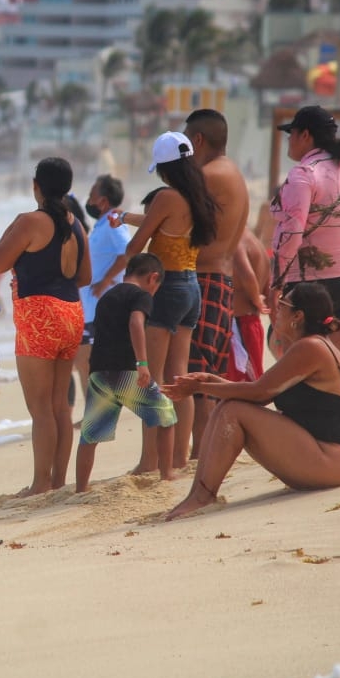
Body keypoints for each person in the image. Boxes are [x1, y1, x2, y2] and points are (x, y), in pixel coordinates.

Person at [164, 282, 340, 521]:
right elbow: (260, 391)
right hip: (325, 455)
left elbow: (259, 393)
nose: (274, 309)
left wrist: (200, 387)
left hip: (334, 460)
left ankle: (203, 496)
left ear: (297, 316)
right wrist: (210, 381)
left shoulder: (311, 347)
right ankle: (197, 494)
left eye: (281, 305)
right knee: (227, 407)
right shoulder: (311, 346)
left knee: (233, 411)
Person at [102, 132, 219, 472]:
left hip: (165, 289)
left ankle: (149, 461)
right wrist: (124, 217)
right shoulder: (196, 195)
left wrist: (112, 277)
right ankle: (179, 457)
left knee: (150, 380)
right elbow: (161, 223)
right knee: (178, 378)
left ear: (166, 169)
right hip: (191, 286)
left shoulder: (167, 196)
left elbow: (137, 244)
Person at [0, 157, 91, 496]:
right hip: (72, 313)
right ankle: (59, 481)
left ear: (36, 185)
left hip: (39, 316)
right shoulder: (75, 222)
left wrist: (14, 229)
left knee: (40, 409)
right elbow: (86, 276)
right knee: (60, 405)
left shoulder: (30, 221)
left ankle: (40, 483)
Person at [271, 106, 340, 358]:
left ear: (305, 135)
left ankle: (303, 396)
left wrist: (277, 282)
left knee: (287, 348)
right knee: (339, 356)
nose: (289, 140)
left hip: (313, 279)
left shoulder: (303, 173)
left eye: (290, 133)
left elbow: (292, 233)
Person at [75, 253, 177, 491]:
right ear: (153, 278)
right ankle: (167, 473)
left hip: (99, 372)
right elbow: (135, 323)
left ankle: (81, 487)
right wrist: (142, 363)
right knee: (166, 416)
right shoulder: (141, 296)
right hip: (128, 372)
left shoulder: (106, 296)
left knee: (90, 436)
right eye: (157, 288)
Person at [181, 109, 249, 461]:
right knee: (208, 376)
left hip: (205, 280)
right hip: (221, 280)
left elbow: (177, 222)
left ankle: (200, 454)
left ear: (198, 141)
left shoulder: (208, 175)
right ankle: (203, 450)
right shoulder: (234, 173)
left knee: (198, 379)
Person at [73, 174, 131, 418]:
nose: (88, 198)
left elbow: (129, 250)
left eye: (92, 193)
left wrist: (107, 279)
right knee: (84, 362)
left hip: (98, 307)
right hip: (89, 306)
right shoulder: (102, 224)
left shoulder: (113, 222)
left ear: (104, 200)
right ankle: (94, 409)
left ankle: (97, 412)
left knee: (85, 361)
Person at [227, 229, 270, 384]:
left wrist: (255, 298)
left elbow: (247, 274)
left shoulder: (236, 239)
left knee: (238, 387)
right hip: (253, 324)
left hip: (238, 325)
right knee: (252, 382)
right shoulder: (256, 243)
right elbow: (268, 286)